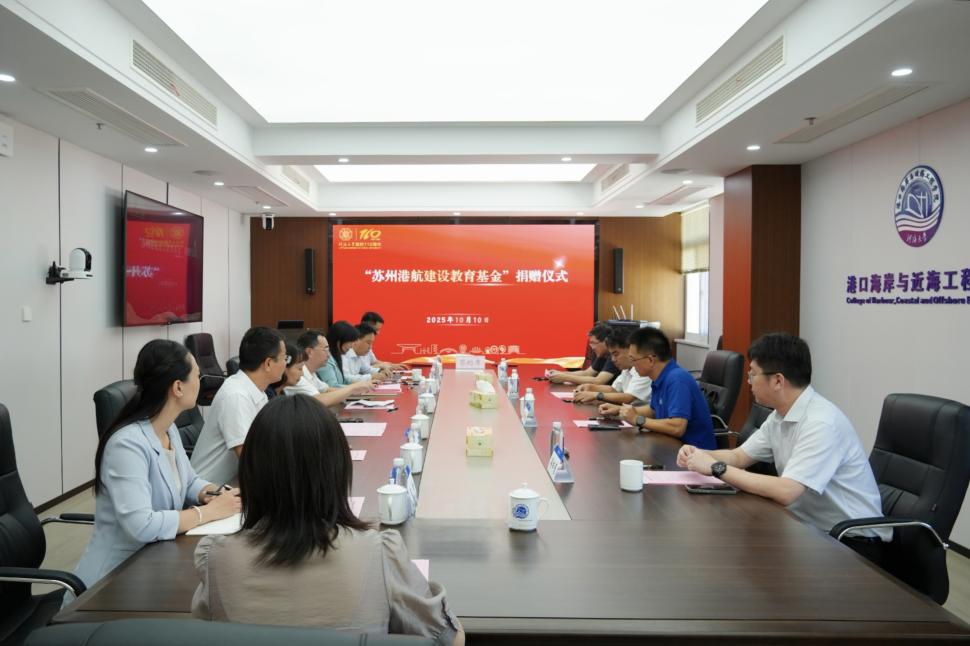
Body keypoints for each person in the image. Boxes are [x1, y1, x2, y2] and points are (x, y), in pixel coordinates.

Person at [191, 395, 465, 645]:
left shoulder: (216, 557)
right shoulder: (378, 552)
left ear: (251, 472)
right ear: (337, 469)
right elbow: (449, 638)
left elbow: (202, 629)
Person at [679, 333, 889, 546]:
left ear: (778, 381)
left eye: (753, 374)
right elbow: (739, 456)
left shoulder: (821, 423)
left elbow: (786, 491)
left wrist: (716, 467)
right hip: (808, 528)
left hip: (852, 541)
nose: (749, 381)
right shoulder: (780, 415)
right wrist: (698, 454)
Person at [73, 340, 241, 590]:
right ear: (178, 387)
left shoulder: (168, 429)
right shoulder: (127, 445)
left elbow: (188, 482)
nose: (201, 381)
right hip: (113, 580)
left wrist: (212, 493)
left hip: (155, 560)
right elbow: (141, 525)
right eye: (197, 376)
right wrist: (208, 513)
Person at [190, 326, 286, 484]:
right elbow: (252, 460)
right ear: (268, 363)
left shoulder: (257, 391)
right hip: (209, 492)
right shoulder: (236, 396)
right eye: (284, 358)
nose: (285, 364)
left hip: (234, 487)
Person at [614, 327, 716, 449]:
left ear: (650, 360)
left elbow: (677, 427)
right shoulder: (660, 377)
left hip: (694, 453)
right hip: (671, 447)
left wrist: (637, 419)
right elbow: (654, 410)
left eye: (633, 360)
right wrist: (620, 410)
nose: (632, 364)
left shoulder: (677, 379)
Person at [289, 329, 372, 404]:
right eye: (325, 350)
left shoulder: (311, 373)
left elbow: (327, 390)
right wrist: (352, 388)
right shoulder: (298, 375)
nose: (328, 355)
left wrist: (356, 391)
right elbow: (317, 401)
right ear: (309, 352)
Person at [573, 329, 652, 406]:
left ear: (630, 349)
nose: (613, 359)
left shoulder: (643, 369)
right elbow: (614, 390)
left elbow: (628, 398)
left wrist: (596, 395)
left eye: (616, 354)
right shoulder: (626, 369)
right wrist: (590, 387)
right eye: (611, 355)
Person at [547, 324, 621, 386]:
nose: (592, 348)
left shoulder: (614, 356)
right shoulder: (602, 354)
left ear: (605, 342)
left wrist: (565, 377)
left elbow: (598, 381)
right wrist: (560, 374)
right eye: (590, 343)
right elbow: (587, 373)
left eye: (593, 343)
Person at [316, 320, 361, 386]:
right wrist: (356, 387)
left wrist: (362, 384)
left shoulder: (336, 356)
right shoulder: (326, 360)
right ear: (338, 342)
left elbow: (343, 381)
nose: (351, 346)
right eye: (350, 342)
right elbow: (333, 386)